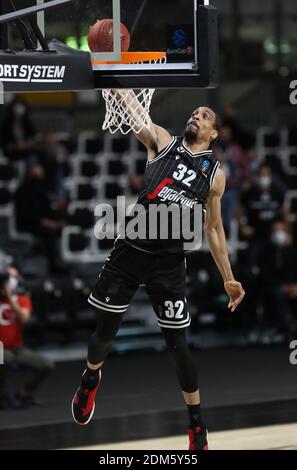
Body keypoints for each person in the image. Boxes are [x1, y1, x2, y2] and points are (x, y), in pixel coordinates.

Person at [71, 96, 245, 451]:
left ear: (214, 133)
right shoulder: (163, 142)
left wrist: (228, 276)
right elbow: (134, 110)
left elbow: (213, 229)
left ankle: (197, 425)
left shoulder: (215, 174)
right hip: (131, 249)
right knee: (105, 330)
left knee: (179, 346)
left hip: (168, 262)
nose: (196, 116)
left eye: (205, 115)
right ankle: (90, 378)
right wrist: (114, 76)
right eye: (194, 112)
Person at [0, 267, 54, 409]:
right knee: (5, 358)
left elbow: (24, 317)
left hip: (17, 348)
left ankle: (23, 394)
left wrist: (9, 298)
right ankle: (1, 394)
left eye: (12, 277)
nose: (8, 281)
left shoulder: (22, 300)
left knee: (46, 365)